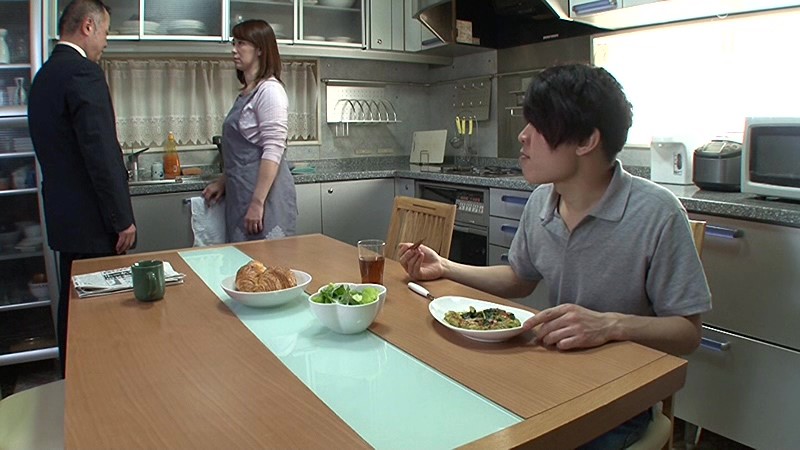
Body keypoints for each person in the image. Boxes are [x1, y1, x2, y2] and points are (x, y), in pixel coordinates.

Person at [398, 63, 711, 449]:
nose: (523, 135)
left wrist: (610, 325)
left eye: (539, 125)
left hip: (617, 400)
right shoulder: (541, 202)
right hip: (551, 376)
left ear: (587, 140)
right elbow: (519, 278)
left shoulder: (657, 213)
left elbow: (687, 333)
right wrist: (445, 267)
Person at [27, 0, 136, 378]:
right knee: (102, 310)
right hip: (94, 222)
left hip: (64, 219)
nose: (105, 42)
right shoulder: (83, 73)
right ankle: (101, 386)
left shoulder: (44, 76)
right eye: (105, 32)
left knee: (72, 307)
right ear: (88, 26)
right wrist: (122, 219)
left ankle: (72, 381)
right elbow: (100, 151)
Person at [202, 19, 297, 242]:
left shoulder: (270, 91)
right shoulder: (247, 93)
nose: (234, 50)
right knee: (244, 261)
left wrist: (257, 203)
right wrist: (223, 181)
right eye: (234, 43)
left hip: (266, 200)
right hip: (242, 196)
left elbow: (273, 149)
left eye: (241, 43)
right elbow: (244, 157)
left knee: (269, 262)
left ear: (260, 49)